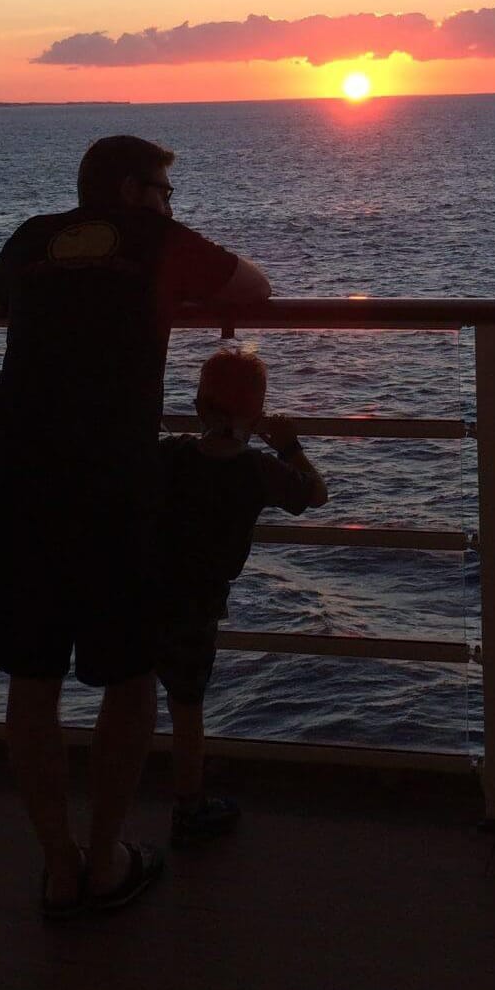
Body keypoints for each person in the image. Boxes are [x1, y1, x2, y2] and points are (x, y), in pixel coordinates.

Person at [0, 135, 271, 919]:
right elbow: (257, 285)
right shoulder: (158, 241)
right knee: (129, 677)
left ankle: (58, 866)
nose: (173, 206)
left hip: (17, 477)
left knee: (31, 681)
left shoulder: (33, 237)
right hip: (110, 484)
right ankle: (105, 862)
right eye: (166, 192)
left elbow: (2, 294)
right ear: (138, 192)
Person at [149, 348, 329, 844]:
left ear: (199, 404)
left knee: (133, 692)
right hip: (197, 604)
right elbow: (315, 494)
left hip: (143, 590)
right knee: (187, 707)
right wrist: (289, 446)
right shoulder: (257, 470)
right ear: (259, 412)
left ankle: (117, 792)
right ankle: (189, 808)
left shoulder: (170, 456)